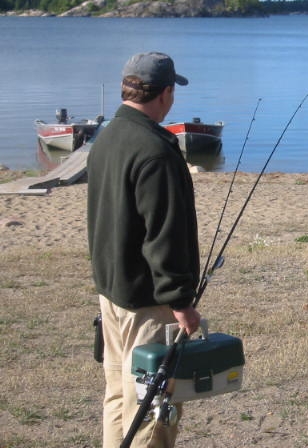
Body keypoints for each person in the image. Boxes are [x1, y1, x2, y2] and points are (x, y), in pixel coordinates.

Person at [87, 52, 201, 447]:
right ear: (166, 93)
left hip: (113, 293)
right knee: (155, 404)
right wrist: (181, 302)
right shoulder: (155, 150)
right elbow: (163, 235)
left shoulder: (108, 137)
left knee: (120, 392)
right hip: (148, 302)